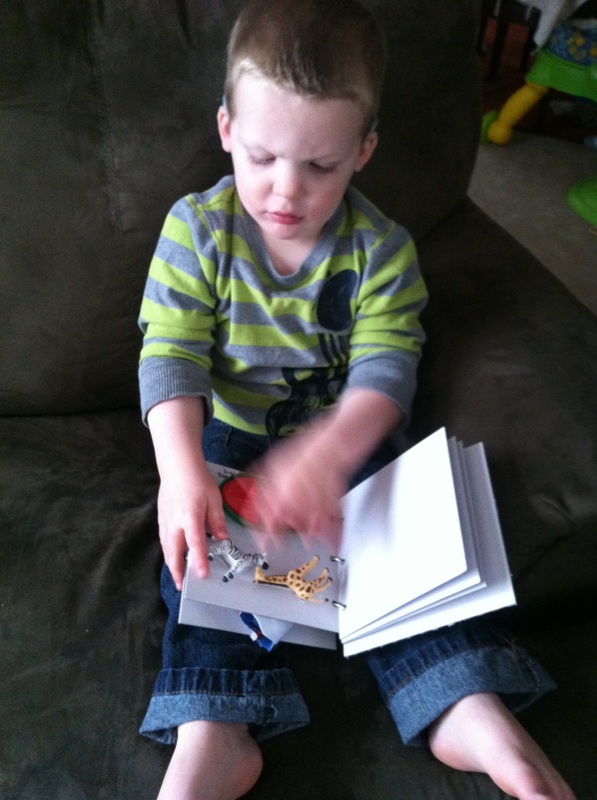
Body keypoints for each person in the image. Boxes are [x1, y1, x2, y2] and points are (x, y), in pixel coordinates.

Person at [137, 1, 576, 798]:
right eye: (264, 156)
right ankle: (217, 728)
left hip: (350, 448)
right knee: (195, 565)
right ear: (227, 127)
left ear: (363, 152)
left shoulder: (381, 251)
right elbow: (169, 356)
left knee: (410, 573)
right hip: (228, 445)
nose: (284, 190)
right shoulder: (197, 231)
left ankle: (464, 703)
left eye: (320, 166)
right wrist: (180, 471)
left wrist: (328, 452)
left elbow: (386, 374)